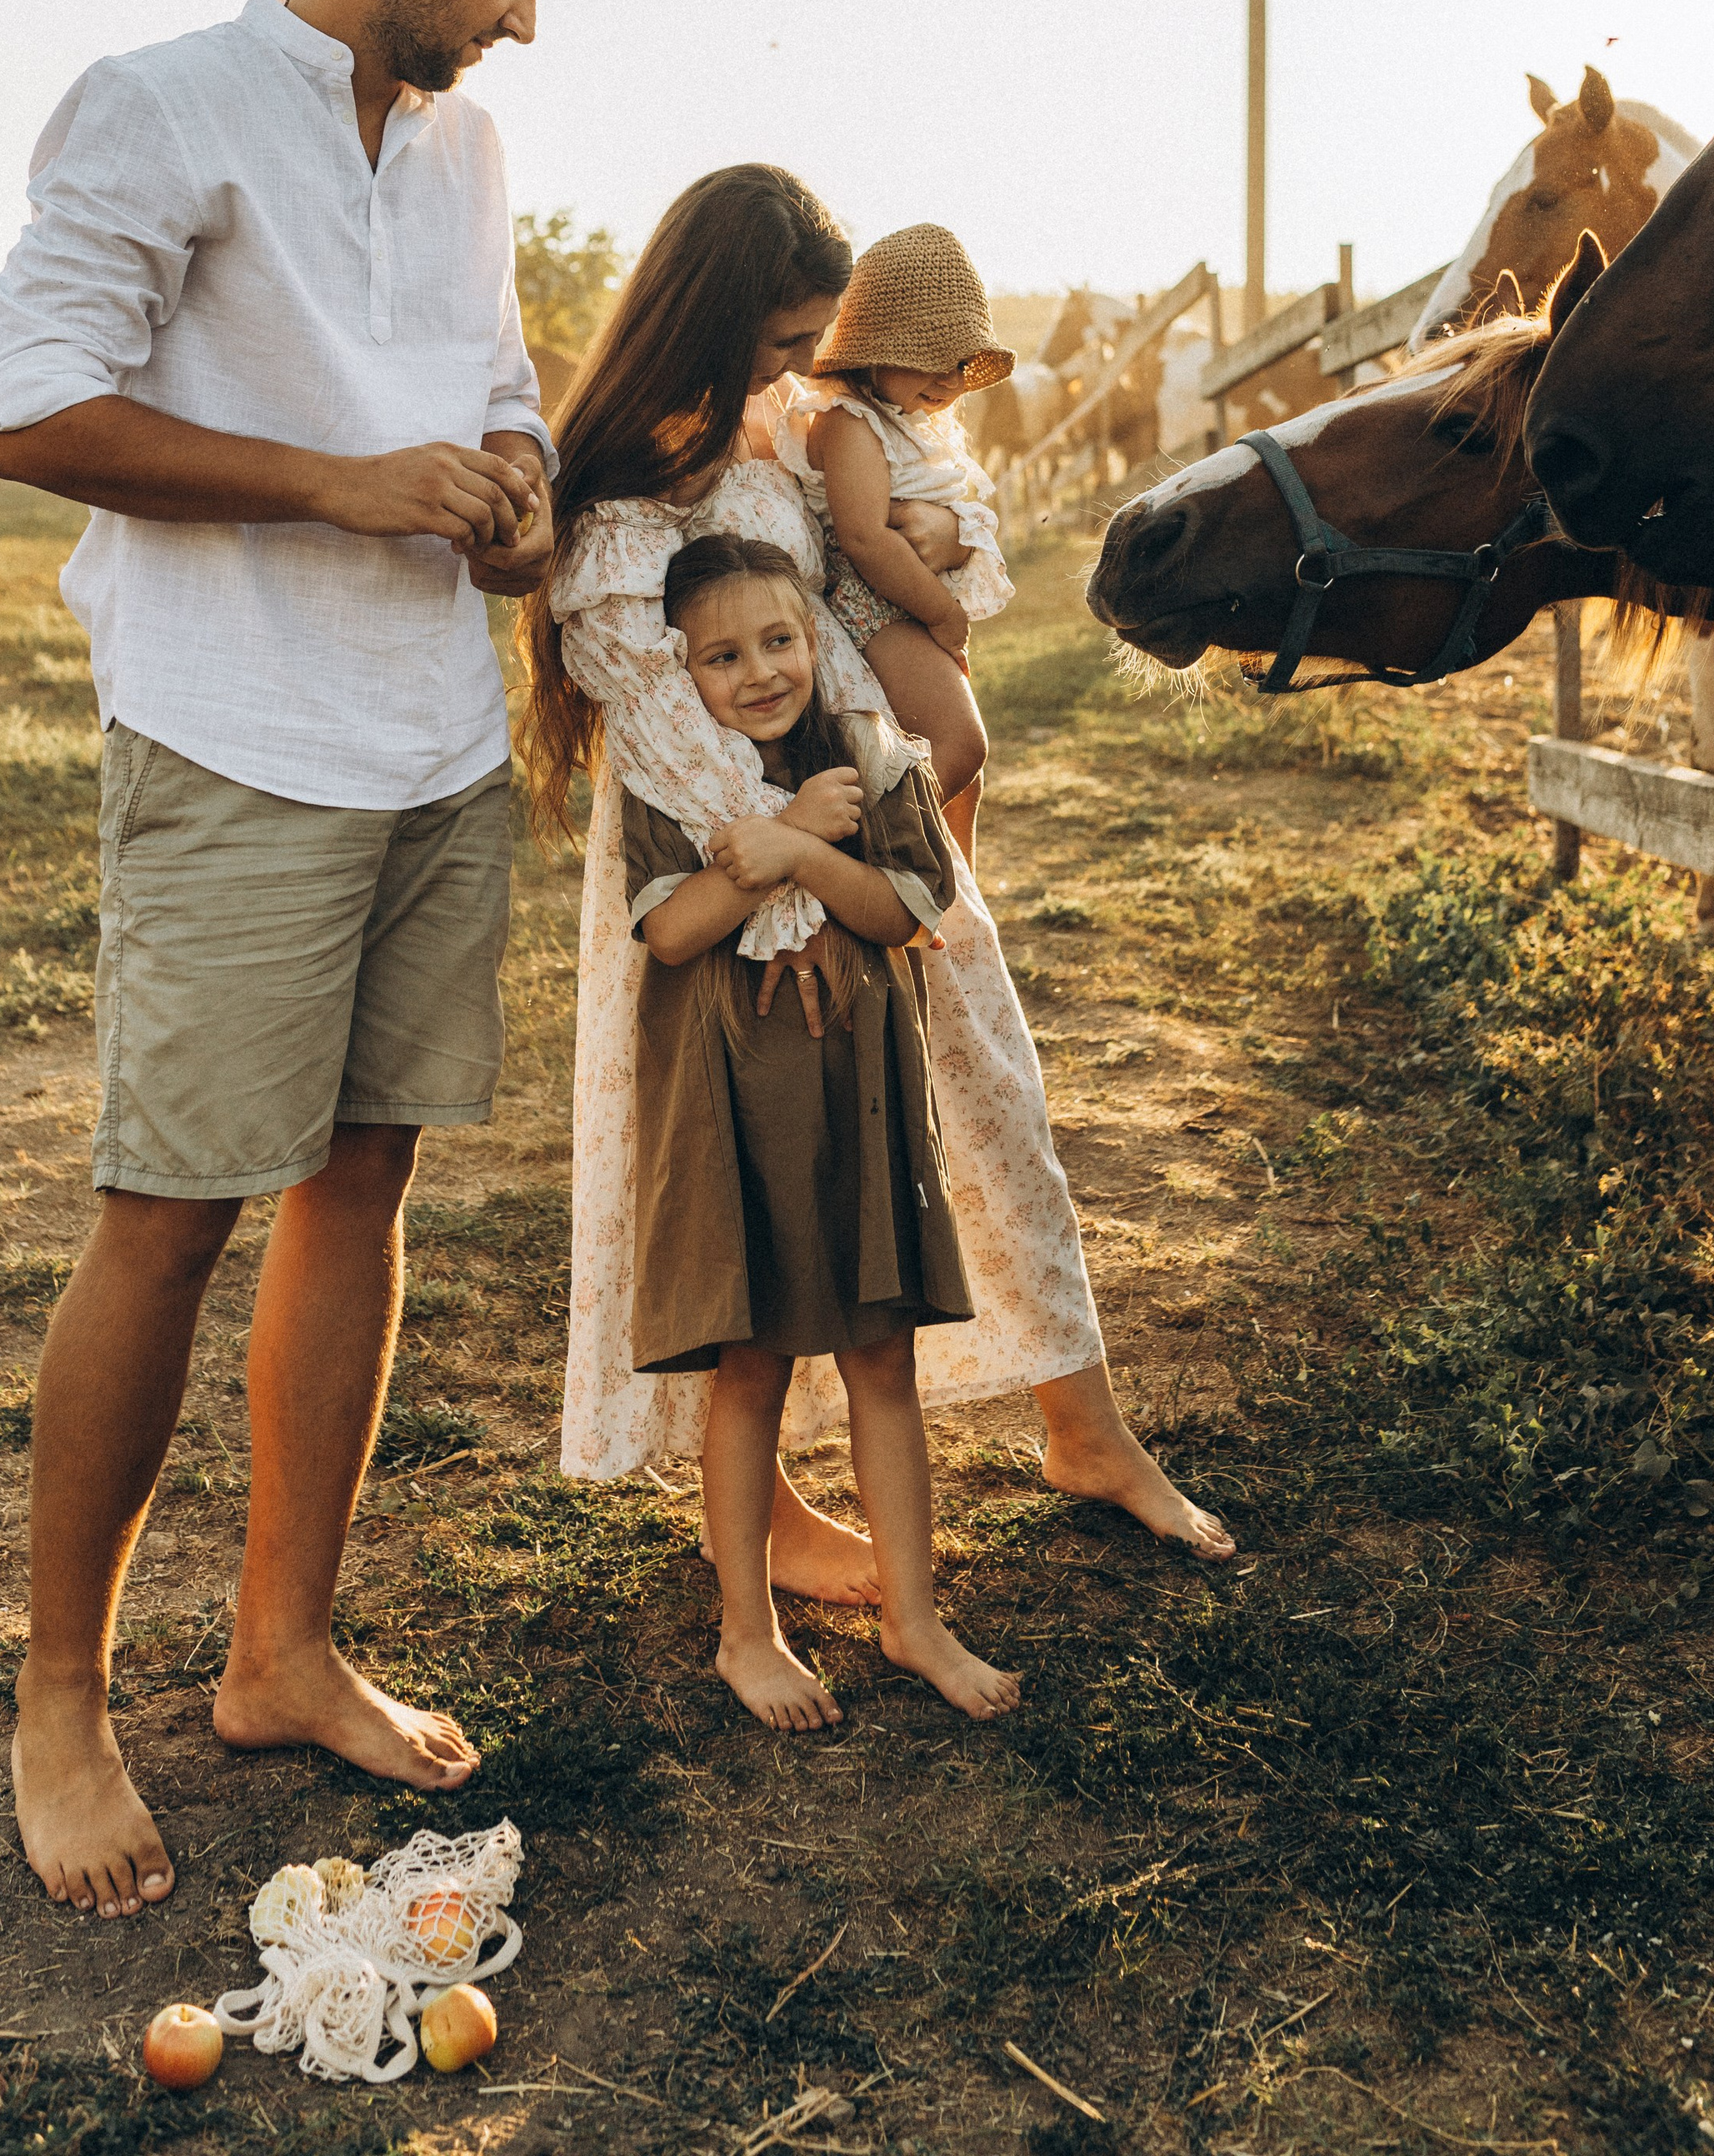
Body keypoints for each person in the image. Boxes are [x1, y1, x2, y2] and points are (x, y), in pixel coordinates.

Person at [0, 0, 587, 1924]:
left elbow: (492, 384)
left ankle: (278, 1644)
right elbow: (30, 405)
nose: (519, 21)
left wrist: (507, 480)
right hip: (232, 742)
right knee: (167, 1213)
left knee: (365, 1178)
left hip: (429, 738)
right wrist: (341, 485)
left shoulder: (470, 148)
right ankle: (61, 1696)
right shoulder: (160, 101)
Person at [518, 162, 1236, 1578]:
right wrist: (804, 890)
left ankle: (1081, 1418)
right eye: (781, 344)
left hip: (865, 819)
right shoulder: (610, 517)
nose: (799, 375)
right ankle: (766, 1507)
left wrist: (934, 547)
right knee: (754, 1186)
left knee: (991, 1104)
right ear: (711, 323)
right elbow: (679, 757)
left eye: (808, 346)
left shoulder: (779, 431)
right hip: (747, 881)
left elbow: (874, 547)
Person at [627, 532, 1017, 1728]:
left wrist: (796, 847)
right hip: (740, 1096)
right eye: (724, 655)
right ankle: (749, 1633)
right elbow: (675, 931)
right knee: (749, 1367)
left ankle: (914, 1615)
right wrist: (777, 843)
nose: (759, 673)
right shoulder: (670, 773)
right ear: (680, 671)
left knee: (881, 1354)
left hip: (860, 1086)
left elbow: (906, 914)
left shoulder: (870, 754)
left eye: (781, 641)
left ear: (817, 640)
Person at [774, 220, 1015, 864]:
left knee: (966, 776)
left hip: (907, 599)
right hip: (873, 606)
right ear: (875, 345)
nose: (949, 377)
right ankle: (863, 854)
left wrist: (956, 549)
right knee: (958, 746)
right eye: (929, 355)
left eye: (962, 362)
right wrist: (941, 611)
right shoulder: (849, 421)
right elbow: (863, 537)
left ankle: (948, 891)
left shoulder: (906, 419)